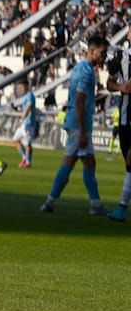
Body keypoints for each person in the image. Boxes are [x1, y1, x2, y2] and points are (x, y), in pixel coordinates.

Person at [41, 37, 108, 214]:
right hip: (79, 124)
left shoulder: (79, 67)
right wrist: (83, 132)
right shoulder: (87, 71)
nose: (104, 57)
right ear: (92, 51)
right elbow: (79, 101)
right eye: (102, 53)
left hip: (75, 121)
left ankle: (92, 204)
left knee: (83, 162)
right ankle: (92, 205)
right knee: (75, 163)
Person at [106, 39, 131, 222]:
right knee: (128, 164)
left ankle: (122, 207)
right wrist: (121, 87)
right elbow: (109, 83)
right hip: (124, 120)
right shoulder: (120, 56)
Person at [12, 80, 37, 168]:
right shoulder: (26, 96)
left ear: (26, 86)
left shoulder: (30, 95)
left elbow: (29, 107)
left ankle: (28, 162)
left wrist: (22, 118)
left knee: (27, 144)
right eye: (20, 87)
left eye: (22, 86)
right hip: (24, 123)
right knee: (15, 140)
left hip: (29, 123)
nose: (21, 88)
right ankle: (24, 157)